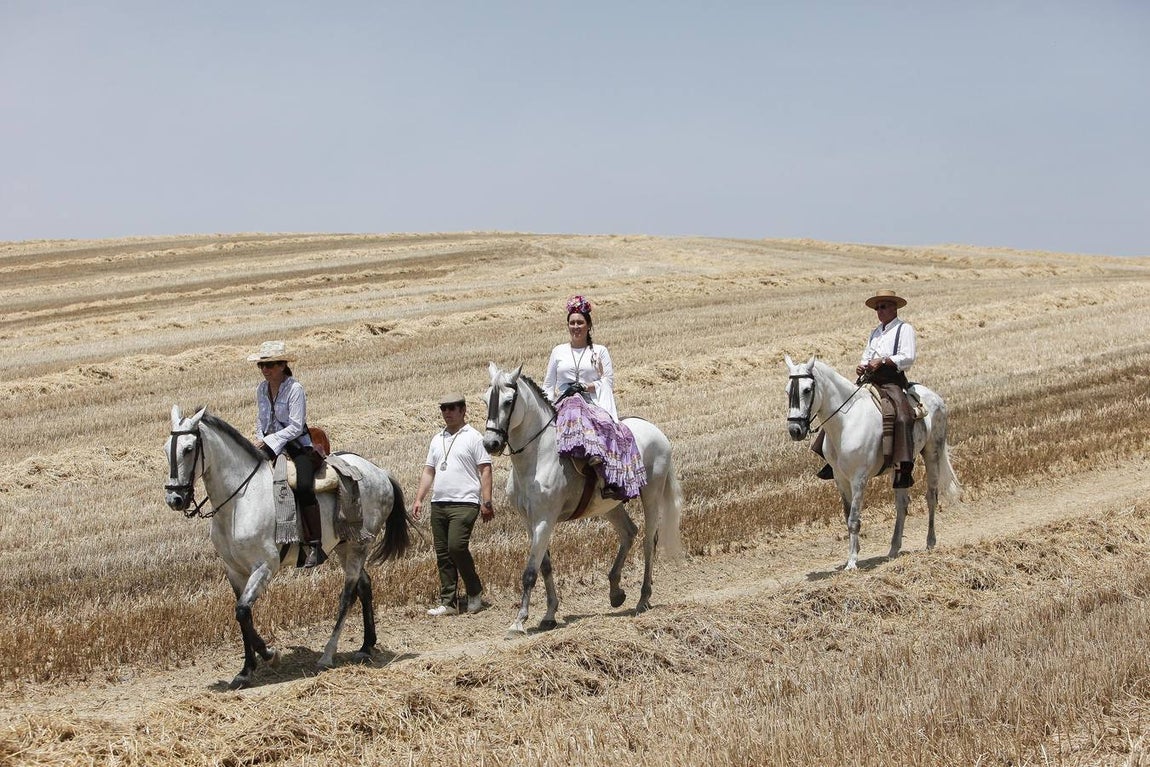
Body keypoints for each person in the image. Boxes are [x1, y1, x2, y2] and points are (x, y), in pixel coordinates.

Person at [543, 295, 645, 500]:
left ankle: (606, 478)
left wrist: (586, 387)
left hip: (592, 402)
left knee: (608, 427)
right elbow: (548, 384)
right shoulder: (558, 351)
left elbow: (608, 382)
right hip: (563, 401)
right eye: (572, 323)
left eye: (580, 322)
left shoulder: (599, 351)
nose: (576, 326)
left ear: (589, 325)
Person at [813, 290, 918, 488]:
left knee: (903, 416)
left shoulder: (905, 329)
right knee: (838, 409)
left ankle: (903, 466)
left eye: (883, 306)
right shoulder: (875, 332)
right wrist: (862, 365)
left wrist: (884, 360)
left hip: (891, 380)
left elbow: (908, 357)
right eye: (877, 308)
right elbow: (866, 355)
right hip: (869, 379)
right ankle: (831, 459)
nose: (879, 311)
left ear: (894, 308)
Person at [412, 394, 494, 617]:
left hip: (465, 502)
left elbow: (485, 469)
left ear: (463, 410)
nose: (447, 412)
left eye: (451, 408)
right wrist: (419, 498)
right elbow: (429, 471)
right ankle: (448, 602)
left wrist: (487, 501)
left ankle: (474, 592)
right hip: (439, 502)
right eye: (443, 408)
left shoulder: (474, 437)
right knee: (443, 554)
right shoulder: (437, 438)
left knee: (456, 547)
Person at [248, 340, 327, 568]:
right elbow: (261, 421)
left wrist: (268, 441)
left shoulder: (295, 389)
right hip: (270, 446)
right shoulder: (261, 389)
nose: (265, 370)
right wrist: (260, 438)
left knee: (302, 485)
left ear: (282, 365)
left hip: (297, 447)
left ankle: (315, 545)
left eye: (270, 365)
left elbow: (295, 426)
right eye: (262, 366)